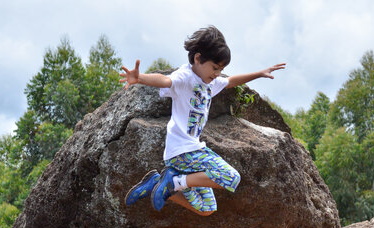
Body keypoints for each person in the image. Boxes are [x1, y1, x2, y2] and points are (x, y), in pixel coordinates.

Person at [121, 25, 285, 216]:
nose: (217, 73)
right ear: (198, 58)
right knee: (231, 177)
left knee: (207, 209)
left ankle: (157, 184)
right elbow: (165, 81)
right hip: (183, 152)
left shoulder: (210, 83)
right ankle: (174, 181)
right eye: (215, 68)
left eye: (221, 69)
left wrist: (259, 73)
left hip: (191, 153)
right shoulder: (185, 77)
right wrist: (140, 78)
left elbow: (231, 81)